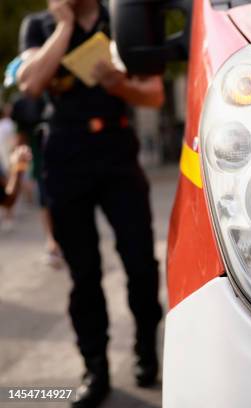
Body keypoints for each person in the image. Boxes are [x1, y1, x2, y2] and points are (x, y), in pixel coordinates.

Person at [17, 0, 164, 407]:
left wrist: (120, 86)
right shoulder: (39, 26)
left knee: (140, 262)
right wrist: (63, 29)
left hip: (116, 150)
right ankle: (94, 366)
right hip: (65, 153)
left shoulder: (123, 18)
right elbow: (29, 84)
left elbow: (153, 95)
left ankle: (145, 347)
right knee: (84, 273)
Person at [11, 95, 64, 267]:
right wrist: (19, 165)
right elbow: (8, 198)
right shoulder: (24, 105)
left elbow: (8, 198)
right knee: (46, 202)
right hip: (43, 166)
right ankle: (52, 243)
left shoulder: (60, 96)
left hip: (67, 163)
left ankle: (59, 242)